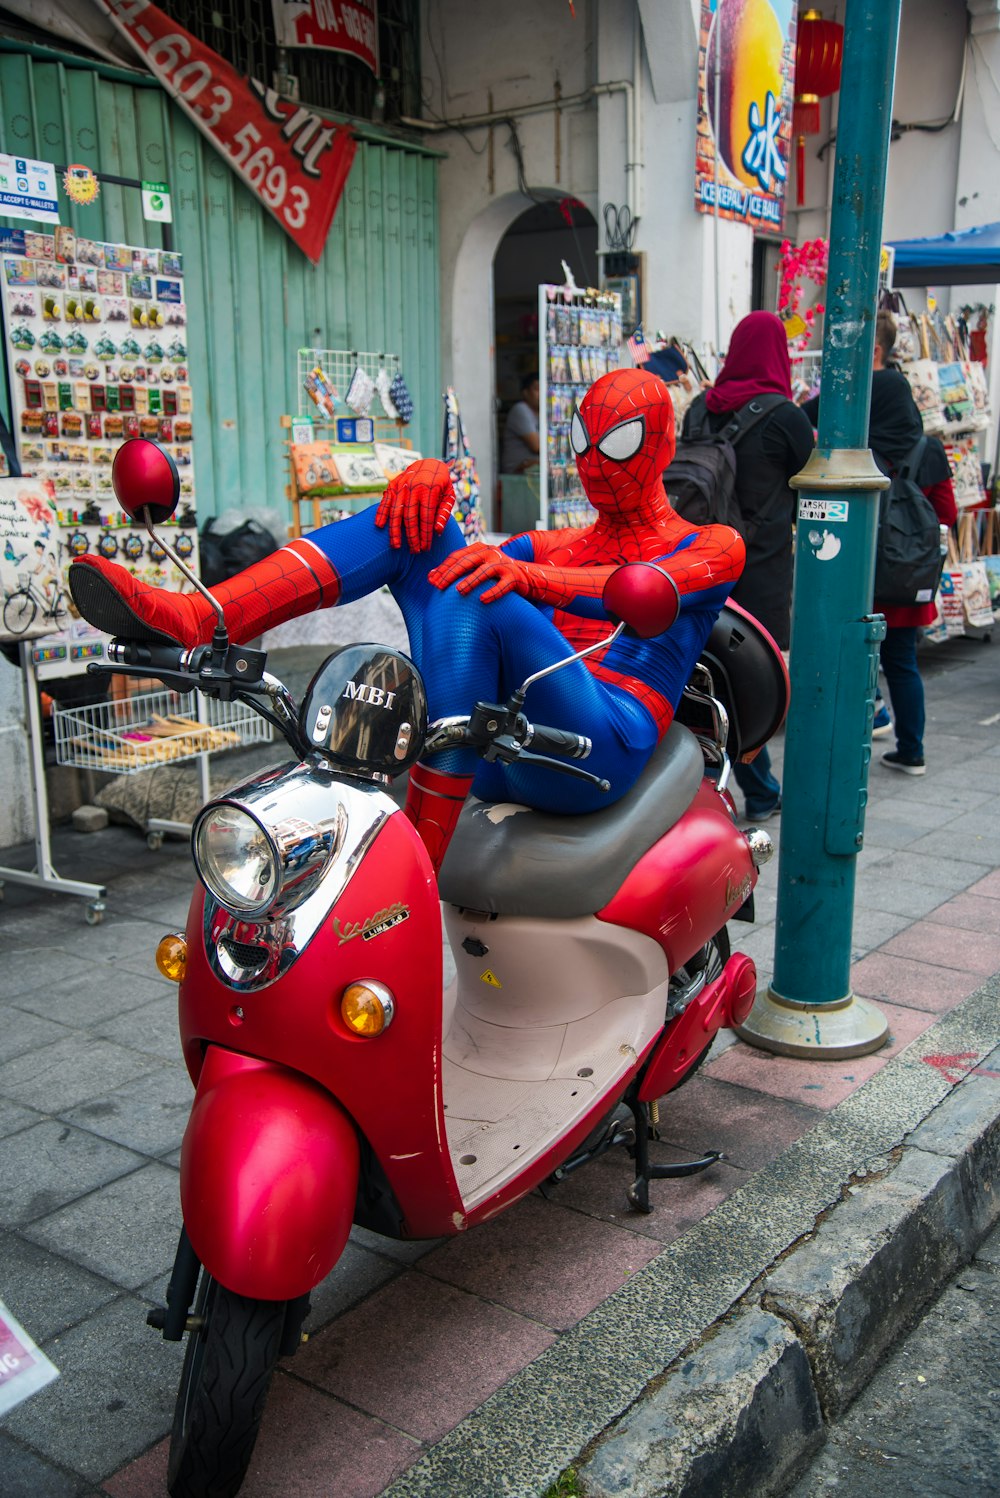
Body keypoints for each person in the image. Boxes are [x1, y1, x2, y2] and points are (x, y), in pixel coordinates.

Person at [69, 368, 745, 871]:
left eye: (618, 442)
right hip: (497, 741)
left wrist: (528, 576)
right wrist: (425, 480)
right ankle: (204, 614)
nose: (594, 461)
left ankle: (418, 856)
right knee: (420, 532)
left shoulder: (712, 543)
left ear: (659, 444)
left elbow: (641, 587)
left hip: (597, 747)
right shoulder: (551, 542)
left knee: (475, 581)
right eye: (582, 438)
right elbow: (451, 563)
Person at [802, 311, 957, 775]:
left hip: (861, 574)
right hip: (907, 574)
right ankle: (911, 749)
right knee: (902, 661)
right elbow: (945, 513)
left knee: (849, 652)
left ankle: (855, 740)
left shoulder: (859, 453)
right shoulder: (927, 447)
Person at [682, 310, 815, 821]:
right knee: (752, 685)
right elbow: (814, 487)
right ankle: (759, 792)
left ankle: (699, 788)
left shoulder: (698, 409)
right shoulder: (786, 417)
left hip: (698, 567)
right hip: (759, 573)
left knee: (700, 678)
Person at [500, 371, 540, 473]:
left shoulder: (540, 413)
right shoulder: (520, 409)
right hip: (515, 473)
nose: (541, 393)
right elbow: (537, 447)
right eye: (537, 389)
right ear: (525, 393)